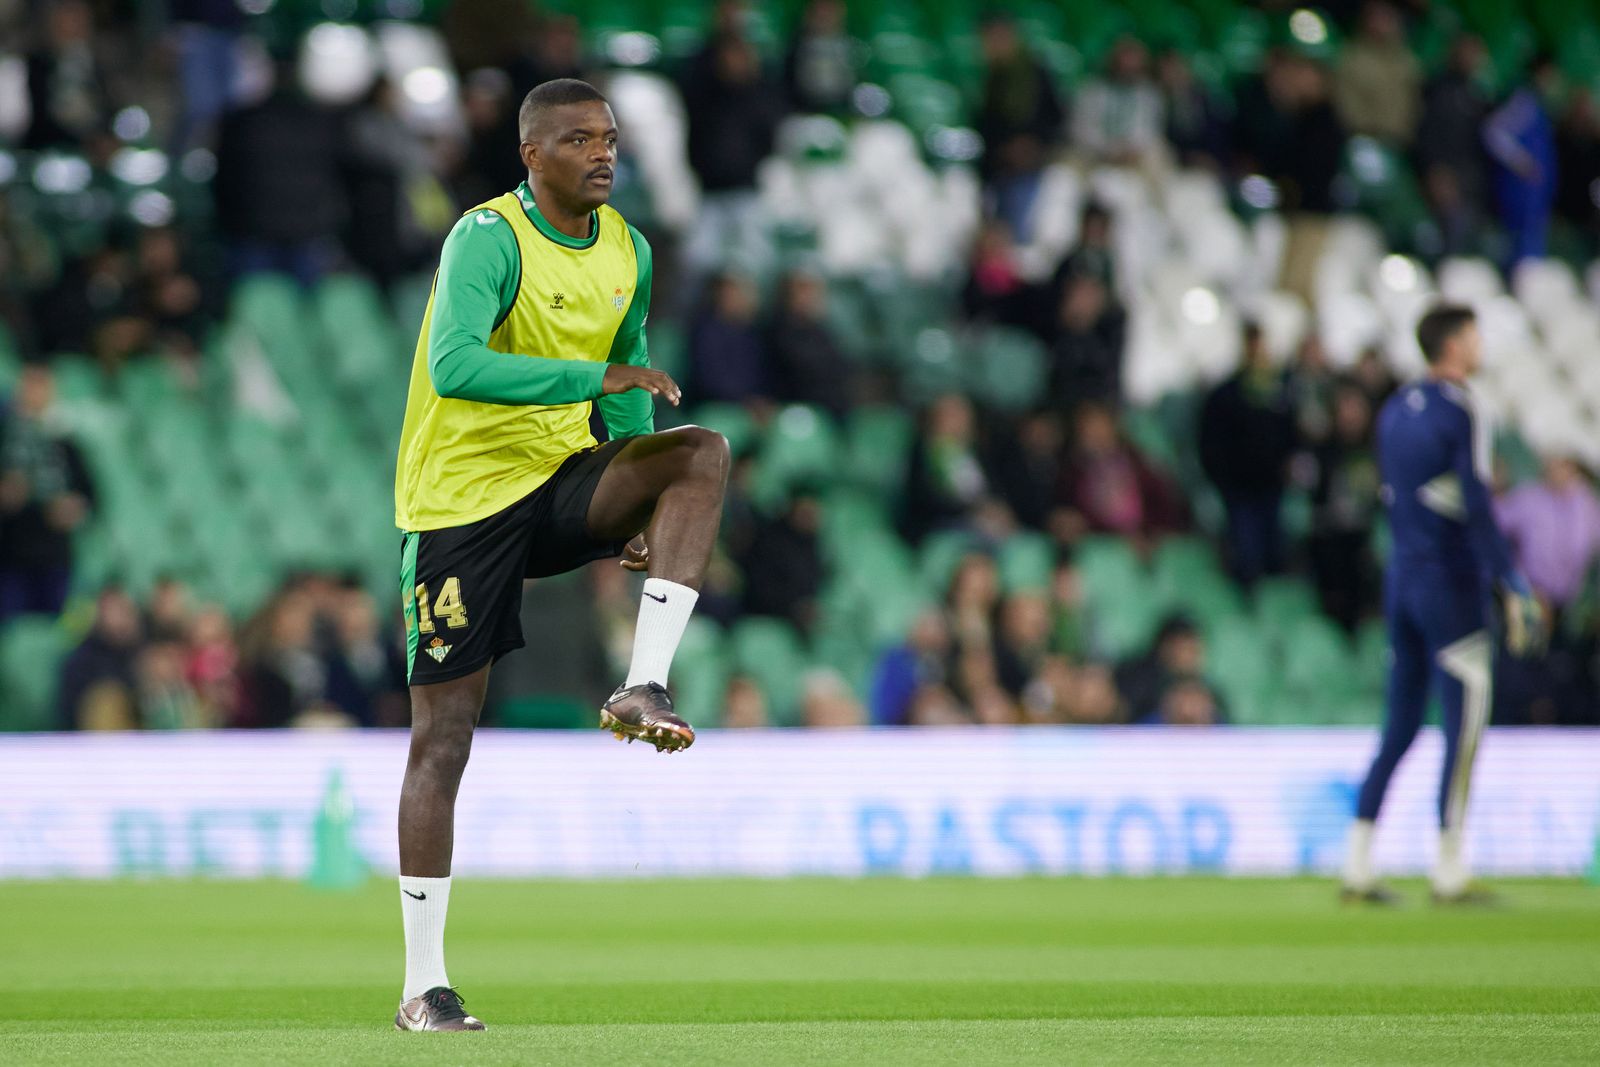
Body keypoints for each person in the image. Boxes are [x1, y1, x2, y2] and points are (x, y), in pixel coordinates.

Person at [390, 79, 730, 1032]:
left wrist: (631, 496)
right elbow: (455, 364)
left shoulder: (629, 249)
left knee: (698, 452)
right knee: (444, 739)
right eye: (579, 139)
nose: (603, 153)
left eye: (610, 138)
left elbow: (629, 393)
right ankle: (424, 985)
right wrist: (596, 376)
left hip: (557, 477)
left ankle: (644, 685)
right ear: (533, 155)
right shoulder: (486, 238)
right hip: (457, 506)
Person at [1342, 305, 1545, 906]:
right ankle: (1449, 865)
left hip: (1402, 579)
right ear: (1453, 345)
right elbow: (1476, 503)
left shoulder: (1394, 409)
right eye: (1474, 335)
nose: (1479, 346)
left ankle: (1357, 861)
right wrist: (1510, 579)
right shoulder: (1463, 409)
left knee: (1399, 726)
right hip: (1451, 584)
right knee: (1465, 722)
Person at [1494, 451, 1600, 725]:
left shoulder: (1587, 504)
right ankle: (1513, 722)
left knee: (1572, 673)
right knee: (1521, 665)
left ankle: (1571, 724)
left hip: (1573, 604)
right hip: (1532, 597)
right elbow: (1496, 527)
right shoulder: (1529, 499)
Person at [1198, 323, 1297, 585]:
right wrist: (1225, 480)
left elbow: (1290, 437)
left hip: (1271, 488)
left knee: (1275, 555)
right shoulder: (1226, 396)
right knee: (1247, 555)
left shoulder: (1278, 393)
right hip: (1240, 491)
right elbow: (1211, 445)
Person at [0, 364, 94, 620]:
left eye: (42, 386)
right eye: (30, 385)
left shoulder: (65, 443)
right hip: (10, 557)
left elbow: (91, 497)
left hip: (54, 558)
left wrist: (73, 508)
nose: (35, 394)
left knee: (57, 635)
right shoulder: (5, 438)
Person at [1483, 55, 1560, 268]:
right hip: (1519, 191)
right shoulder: (1523, 101)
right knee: (1515, 248)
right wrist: (1521, 161)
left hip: (1536, 194)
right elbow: (1493, 131)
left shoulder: (1542, 105)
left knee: (1533, 249)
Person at [1332, 1, 1420, 147]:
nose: (1381, 22)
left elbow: (1415, 100)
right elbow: (1346, 105)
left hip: (1403, 143)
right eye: (1375, 16)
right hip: (1364, 141)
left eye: (1386, 16)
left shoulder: (1406, 59)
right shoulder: (1351, 57)